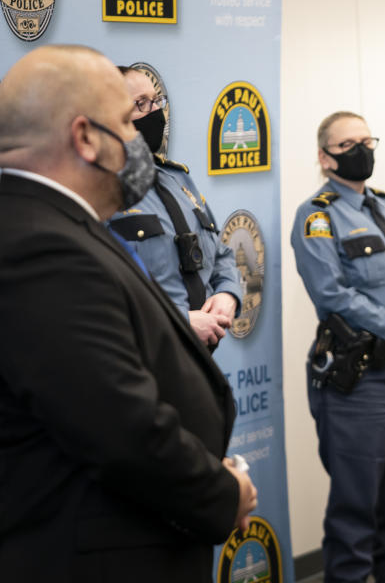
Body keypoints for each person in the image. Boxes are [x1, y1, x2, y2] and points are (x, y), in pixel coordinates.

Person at [0, 45, 257, 580]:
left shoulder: (62, 223)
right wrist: (220, 493)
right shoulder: (40, 245)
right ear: (85, 137)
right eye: (125, 119)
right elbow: (118, 426)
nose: (139, 135)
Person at [291, 111, 385, 583]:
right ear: (324, 157)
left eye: (367, 140)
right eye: (347, 144)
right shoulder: (316, 216)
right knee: (356, 514)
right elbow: (333, 295)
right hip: (357, 383)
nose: (361, 150)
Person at [108, 65, 242, 348]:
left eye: (157, 101)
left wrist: (228, 294)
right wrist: (179, 321)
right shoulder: (101, 190)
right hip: (144, 360)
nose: (156, 112)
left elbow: (220, 254)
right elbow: (101, 293)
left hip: (200, 363)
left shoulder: (177, 179)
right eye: (141, 104)